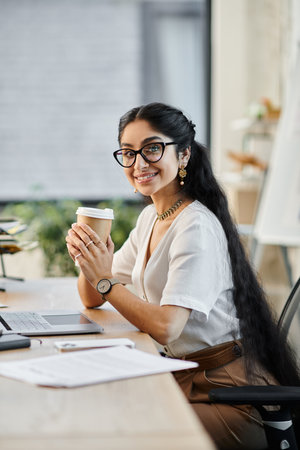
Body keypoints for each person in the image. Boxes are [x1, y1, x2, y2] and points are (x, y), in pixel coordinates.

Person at [66, 102, 299, 449]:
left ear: (184, 154)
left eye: (152, 149)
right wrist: (91, 256)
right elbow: (93, 297)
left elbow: (167, 326)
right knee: (99, 412)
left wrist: (105, 279)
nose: (139, 164)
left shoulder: (196, 226)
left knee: (118, 433)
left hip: (227, 392)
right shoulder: (152, 218)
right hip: (185, 376)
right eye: (128, 153)